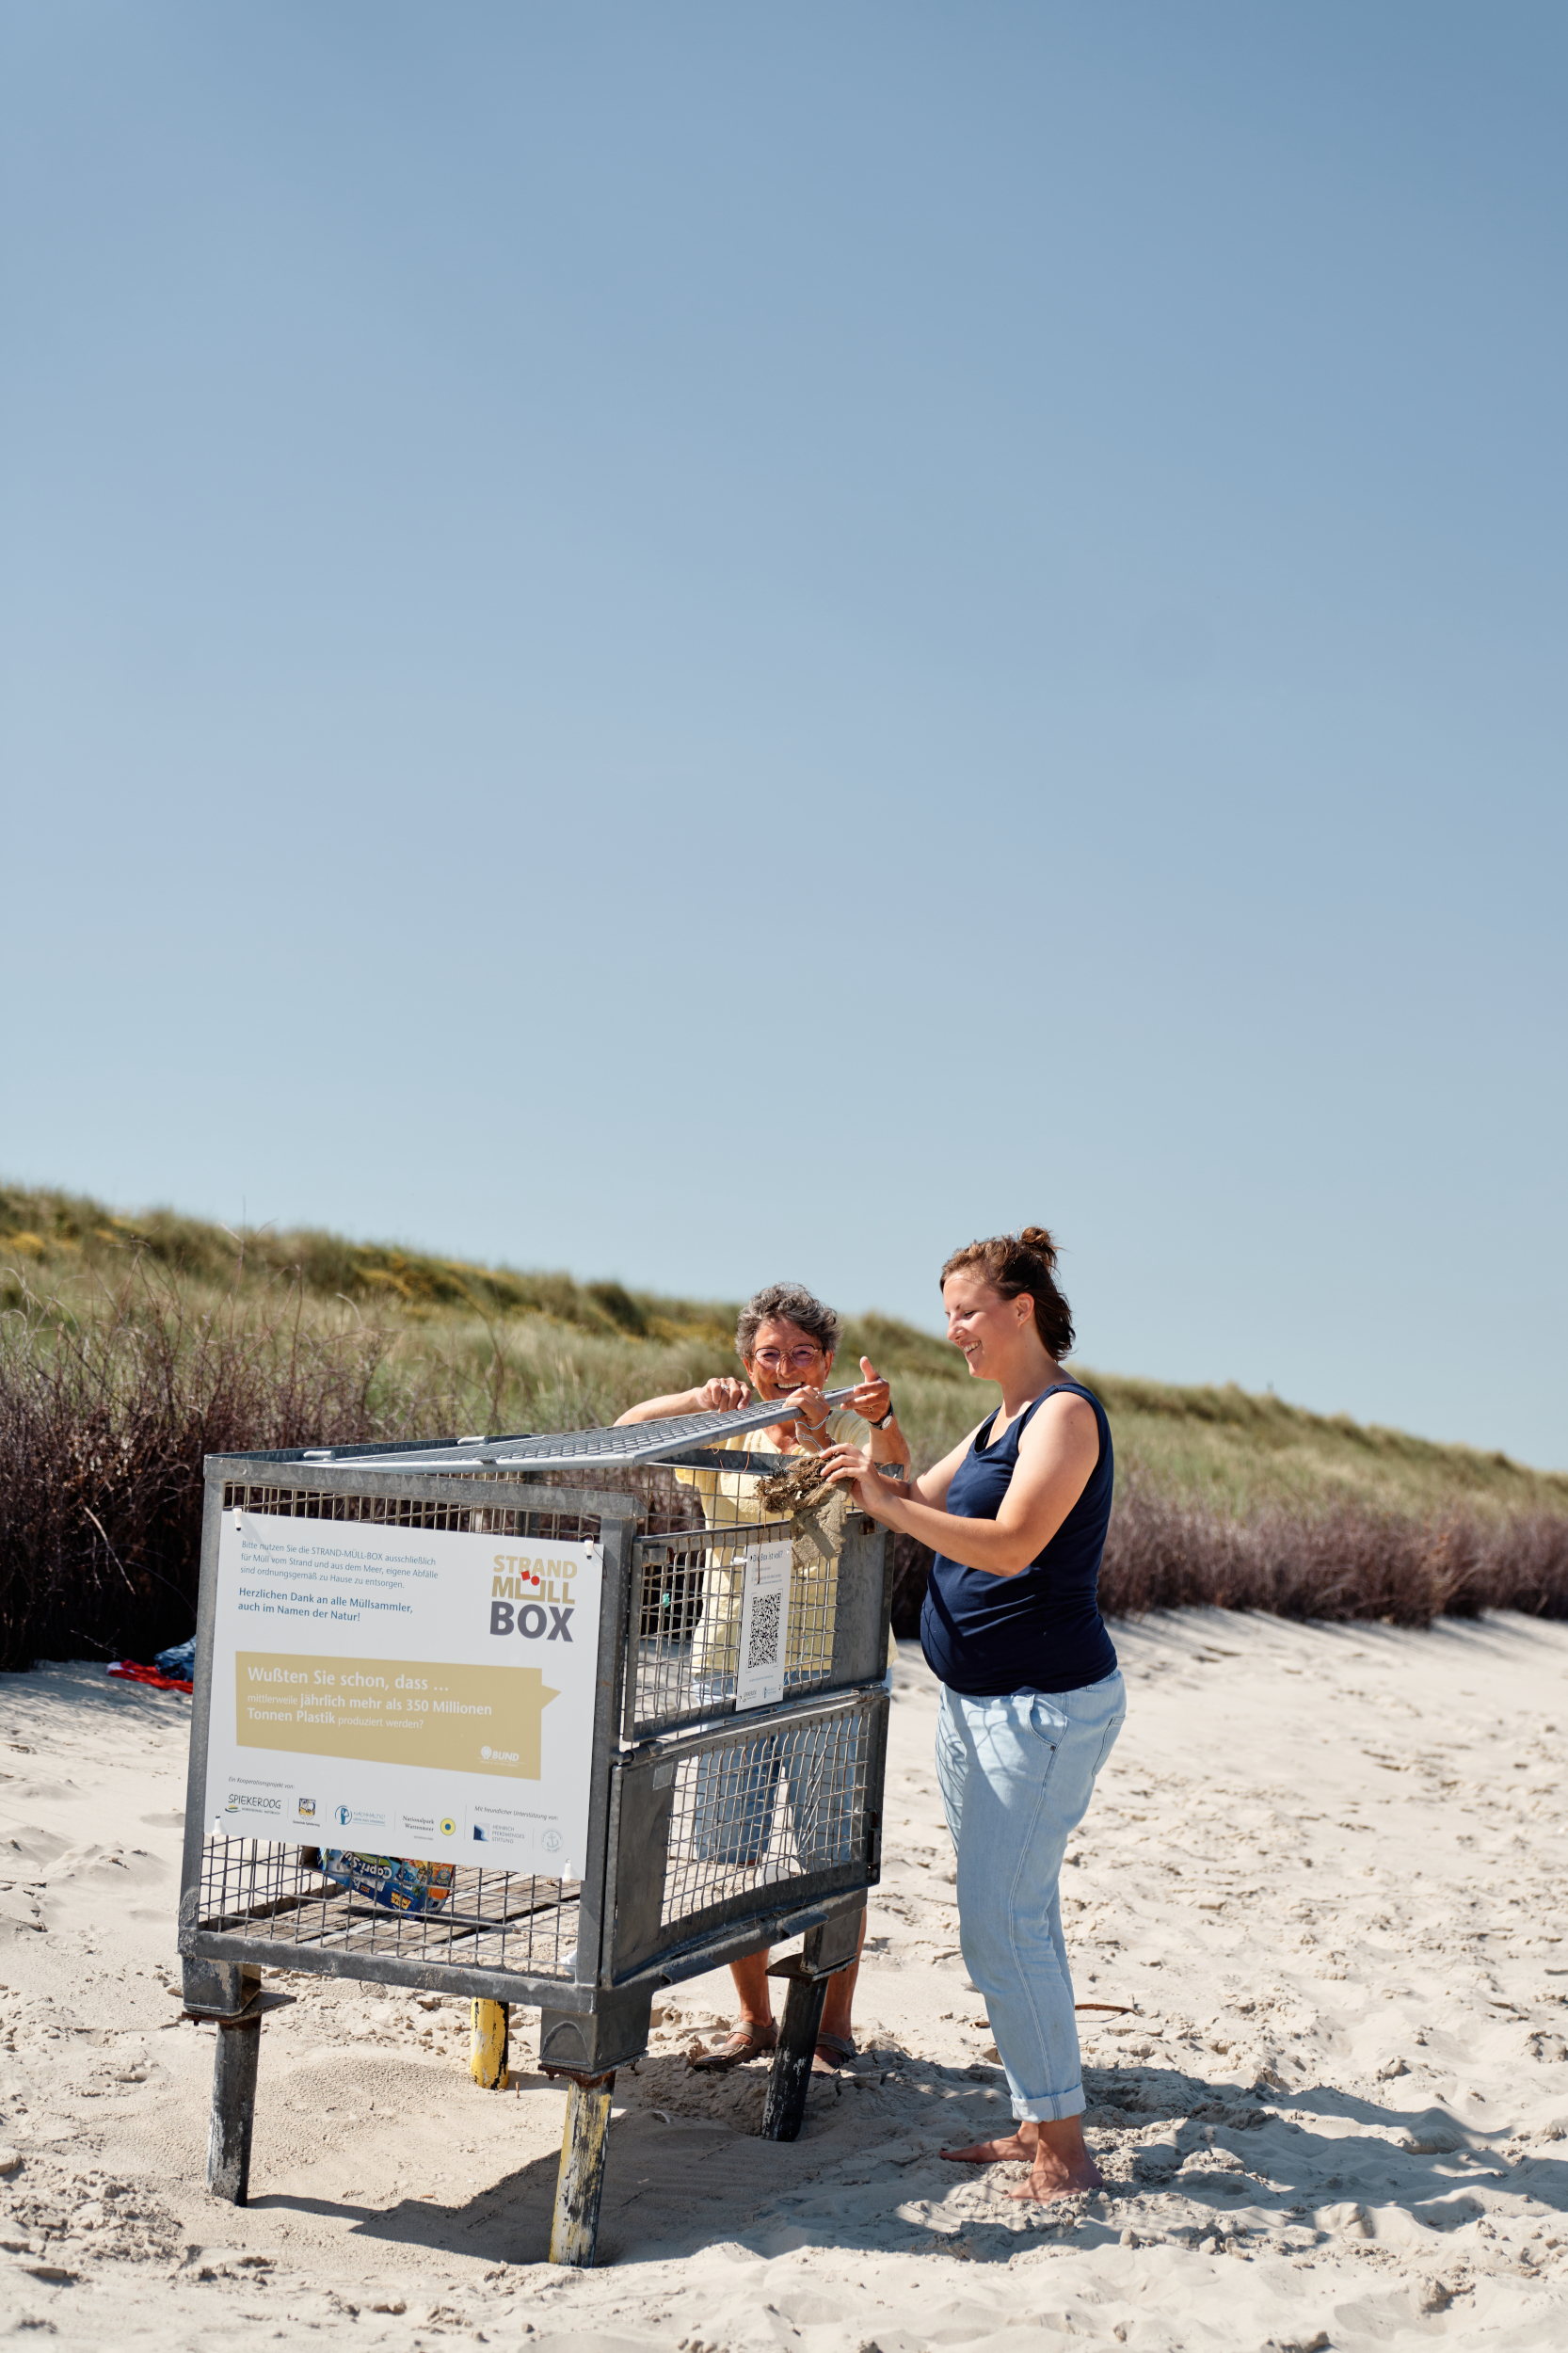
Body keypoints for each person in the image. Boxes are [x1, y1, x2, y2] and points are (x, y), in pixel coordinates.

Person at [819, 1227, 1124, 2202]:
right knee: (1013, 1918)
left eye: (965, 1310)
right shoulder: (1003, 1418)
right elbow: (905, 1496)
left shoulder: (1063, 1418)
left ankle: (1064, 2153)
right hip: (975, 1706)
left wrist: (891, 1505)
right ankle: (1040, 2118)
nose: (952, 1329)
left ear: (1020, 1307)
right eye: (946, 1311)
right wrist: (876, 1439)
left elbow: (1009, 1545)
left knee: (1001, 1925)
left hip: (1039, 1710)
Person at [616, 1281, 910, 2072]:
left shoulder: (850, 1422)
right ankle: (756, 2020)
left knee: (834, 1852)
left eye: (802, 1353)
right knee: (731, 1853)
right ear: (748, 1362)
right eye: (769, 1355)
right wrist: (696, 1396)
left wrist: (864, 1424)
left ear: (827, 1360)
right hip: (731, 1666)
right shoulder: (724, 1428)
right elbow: (623, 1435)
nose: (785, 1368)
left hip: (832, 1666)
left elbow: (899, 1488)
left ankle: (830, 2026)